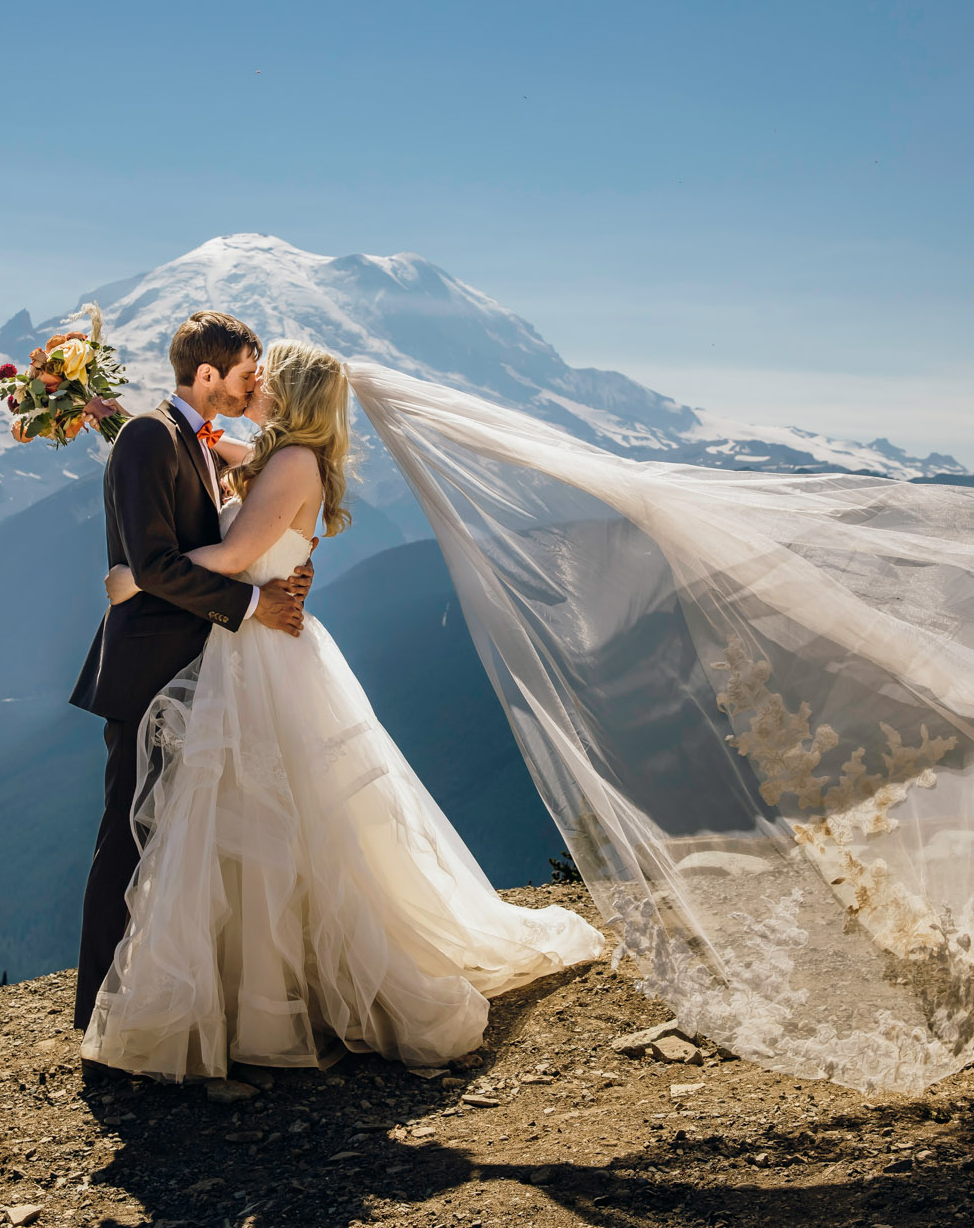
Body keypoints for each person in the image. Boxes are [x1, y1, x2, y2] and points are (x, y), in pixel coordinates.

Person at [79, 338, 606, 1080]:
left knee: (272, 826)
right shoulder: (277, 453)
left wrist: (139, 579)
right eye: (247, 374)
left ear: (288, 392)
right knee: (255, 827)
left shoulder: (290, 463)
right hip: (251, 651)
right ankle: (252, 993)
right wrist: (114, 417)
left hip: (260, 659)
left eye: (264, 378)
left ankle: (278, 997)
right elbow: (199, 451)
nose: (254, 385)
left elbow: (232, 559)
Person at [67, 312, 315, 1054]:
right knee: (127, 838)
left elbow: (204, 540)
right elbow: (153, 563)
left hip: (191, 669)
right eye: (245, 374)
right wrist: (252, 605)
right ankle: (97, 1014)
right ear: (205, 375)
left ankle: (153, 998)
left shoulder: (192, 438)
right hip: (147, 670)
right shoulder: (150, 435)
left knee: (173, 837)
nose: (252, 385)